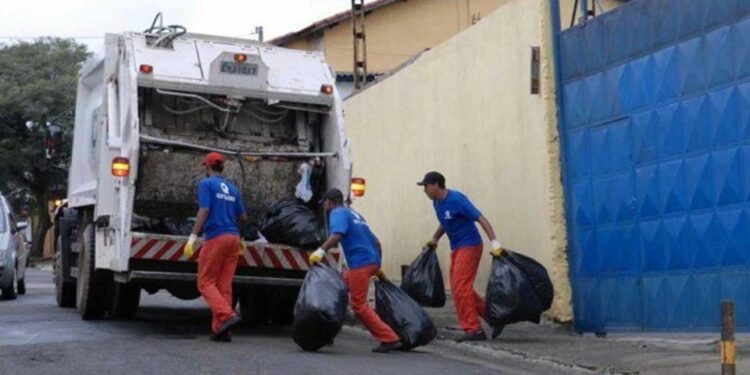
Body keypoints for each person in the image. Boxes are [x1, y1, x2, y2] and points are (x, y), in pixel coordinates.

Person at [309, 188, 404, 353]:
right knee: (337, 289)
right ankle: (328, 331)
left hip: (360, 263)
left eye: (324, 203)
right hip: (370, 261)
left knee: (359, 305)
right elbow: (377, 242)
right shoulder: (355, 215)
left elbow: (337, 235)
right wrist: (377, 266)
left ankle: (390, 338)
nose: (324, 206)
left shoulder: (337, 213)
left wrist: (321, 251)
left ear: (329, 202)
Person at [418, 171, 504, 342]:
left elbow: (481, 219)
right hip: (457, 247)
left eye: (426, 186)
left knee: (461, 287)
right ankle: (493, 317)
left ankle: (474, 329)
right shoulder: (437, 203)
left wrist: (495, 243)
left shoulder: (457, 199)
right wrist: (435, 238)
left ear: (436, 185)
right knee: (460, 287)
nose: (424, 190)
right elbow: (445, 222)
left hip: (470, 245)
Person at [184, 152, 247, 342]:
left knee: (205, 283)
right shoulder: (233, 188)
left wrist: (193, 236)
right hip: (233, 238)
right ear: (222, 167)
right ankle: (222, 329)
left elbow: (204, 209)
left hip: (216, 238)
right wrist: (240, 235)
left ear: (207, 167)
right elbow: (243, 217)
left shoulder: (206, 184)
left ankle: (226, 316)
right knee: (223, 286)